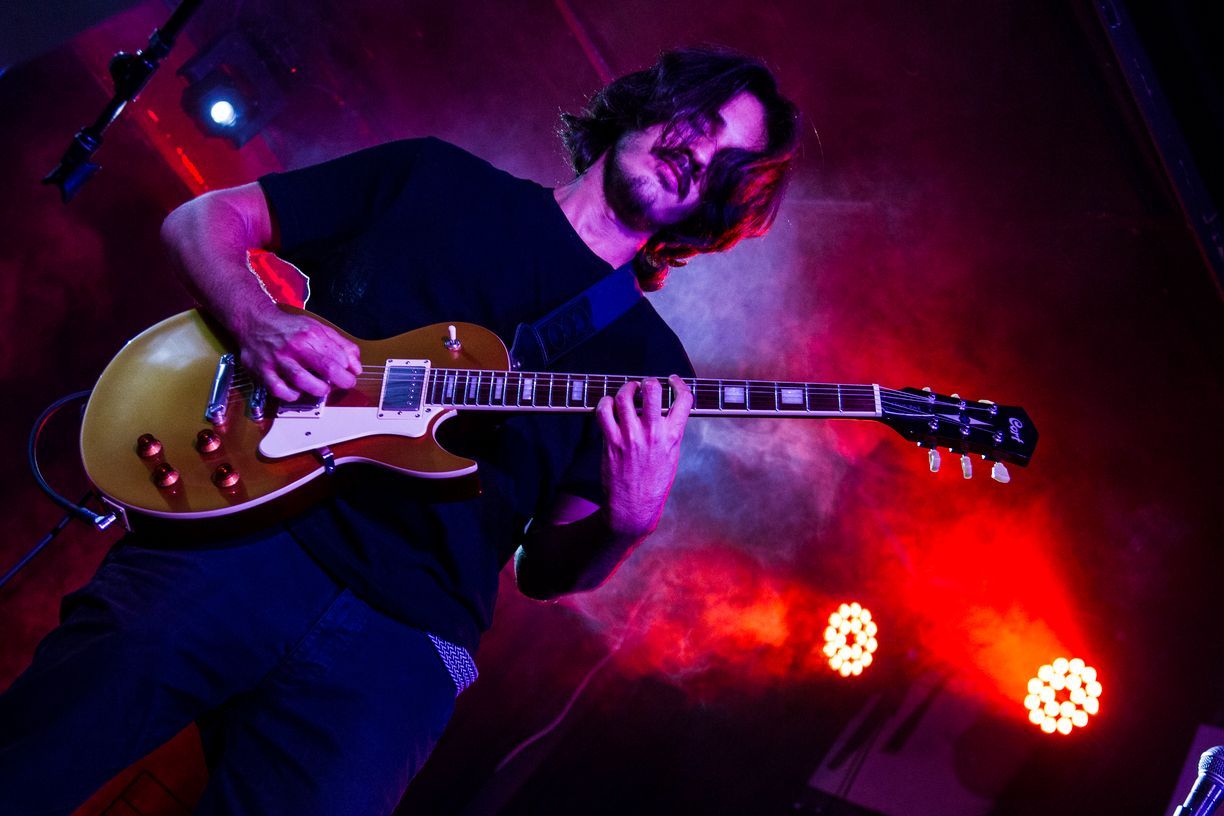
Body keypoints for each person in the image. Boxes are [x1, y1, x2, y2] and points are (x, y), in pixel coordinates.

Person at [0, 46, 799, 814]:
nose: (700, 156)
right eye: (700, 122)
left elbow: (546, 571)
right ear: (650, 103)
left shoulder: (652, 365)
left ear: (716, 211)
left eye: (728, 166)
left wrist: (627, 525)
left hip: (404, 645)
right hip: (244, 535)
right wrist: (258, 321)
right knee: (34, 757)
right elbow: (202, 223)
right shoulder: (436, 177)